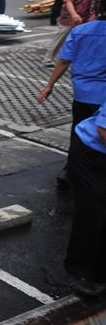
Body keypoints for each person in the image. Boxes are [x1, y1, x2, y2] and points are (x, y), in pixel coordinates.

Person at [38, 8, 106, 187]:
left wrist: (49, 85)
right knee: (100, 136)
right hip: (102, 97)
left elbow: (63, 61)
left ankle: (71, 171)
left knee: (79, 132)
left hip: (82, 94)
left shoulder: (80, 30)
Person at [62, 101, 106, 296]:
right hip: (91, 153)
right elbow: (104, 131)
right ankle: (79, 273)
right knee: (92, 212)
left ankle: (99, 272)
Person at [44, 0, 102, 67]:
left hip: (89, 19)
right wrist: (74, 14)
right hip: (70, 18)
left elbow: (97, 1)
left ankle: (83, 59)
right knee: (61, 38)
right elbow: (68, 2)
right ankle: (49, 58)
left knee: (87, 40)